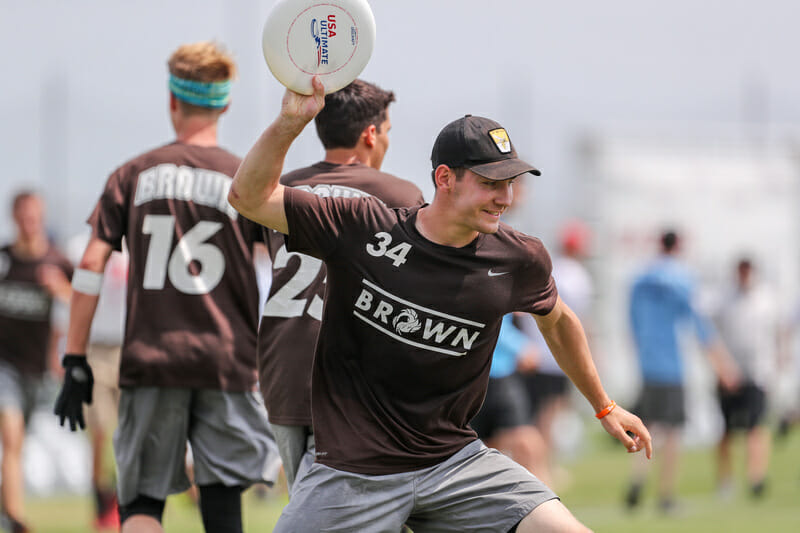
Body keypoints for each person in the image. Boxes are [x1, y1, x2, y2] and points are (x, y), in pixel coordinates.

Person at [228, 78, 651, 532]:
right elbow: (247, 198)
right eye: (491, 182)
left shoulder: (519, 257)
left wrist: (605, 406)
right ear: (444, 178)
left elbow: (559, 321)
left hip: (455, 464)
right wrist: (291, 122)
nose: (505, 198)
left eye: (510, 183)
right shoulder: (363, 227)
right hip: (354, 471)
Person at [52, 41, 280, 533]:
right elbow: (284, 267)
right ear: (225, 104)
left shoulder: (132, 173)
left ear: (172, 100)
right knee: (223, 505)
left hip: (151, 358)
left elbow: (92, 263)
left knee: (141, 503)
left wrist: (75, 358)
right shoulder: (244, 179)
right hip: (227, 360)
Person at [258, 79, 424, 492]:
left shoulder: (282, 189)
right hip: (357, 383)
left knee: (310, 508)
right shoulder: (398, 195)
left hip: (283, 370)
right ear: (370, 134)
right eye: (386, 132)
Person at [625, 230, 739, 513]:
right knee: (673, 430)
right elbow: (700, 325)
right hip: (671, 363)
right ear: (679, 246)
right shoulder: (681, 277)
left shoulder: (640, 278)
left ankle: (637, 481)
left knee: (647, 425)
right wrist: (722, 363)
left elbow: (632, 321)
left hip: (648, 361)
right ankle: (666, 495)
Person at [0, 191, 73, 533]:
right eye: (24, 215)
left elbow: (84, 304)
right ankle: (16, 519)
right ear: (14, 218)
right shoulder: (3, 261)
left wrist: (61, 290)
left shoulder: (58, 261)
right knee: (10, 437)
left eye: (35, 215)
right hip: (5, 366)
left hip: (39, 371)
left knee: (19, 443)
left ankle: (5, 510)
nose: (30, 222)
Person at [514, 219, 594, 488]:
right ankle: (543, 468)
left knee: (534, 415)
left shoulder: (550, 269)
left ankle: (537, 466)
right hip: (555, 356)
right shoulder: (579, 277)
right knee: (549, 416)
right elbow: (578, 320)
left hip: (531, 353)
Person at [66, 231, 128, 530]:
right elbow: (71, 298)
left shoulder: (138, 241)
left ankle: (123, 500)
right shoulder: (80, 246)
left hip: (130, 347)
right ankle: (102, 504)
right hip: (94, 348)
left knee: (128, 432)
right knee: (100, 430)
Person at [712, 257, 779, 499]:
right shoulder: (724, 300)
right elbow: (712, 336)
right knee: (727, 430)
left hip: (758, 372)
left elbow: (776, 334)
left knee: (756, 427)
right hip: (730, 373)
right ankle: (725, 480)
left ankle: (756, 478)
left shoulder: (766, 300)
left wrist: (776, 368)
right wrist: (721, 368)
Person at [470, 314, 550, 484]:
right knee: (484, 448)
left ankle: (542, 496)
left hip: (501, 373)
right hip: (478, 376)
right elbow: (491, 324)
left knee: (524, 441)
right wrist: (522, 347)